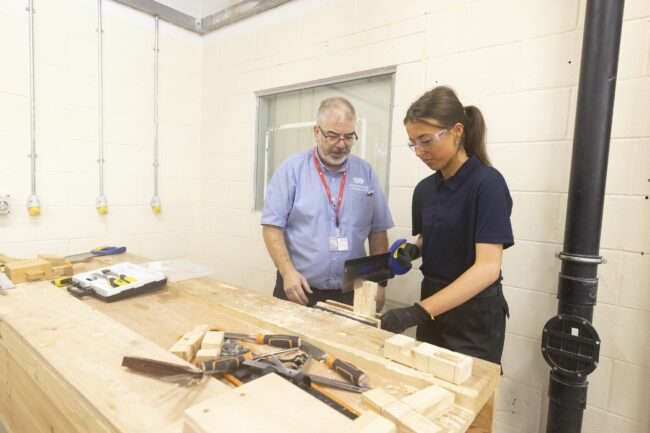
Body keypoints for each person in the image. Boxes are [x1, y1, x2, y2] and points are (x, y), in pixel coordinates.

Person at [380, 86, 513, 364]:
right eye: (413, 143)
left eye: (426, 141)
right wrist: (414, 250)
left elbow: (488, 267)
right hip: (433, 308)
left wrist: (417, 311)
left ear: (456, 131)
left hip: (473, 319)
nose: (419, 152)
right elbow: (429, 236)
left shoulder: (487, 185)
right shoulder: (425, 190)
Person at [261, 97, 394, 311]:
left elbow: (378, 231)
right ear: (316, 132)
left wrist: (378, 281)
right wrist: (287, 273)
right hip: (299, 289)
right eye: (333, 136)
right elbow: (271, 228)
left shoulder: (366, 173)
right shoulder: (291, 171)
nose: (341, 145)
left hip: (351, 293)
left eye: (349, 137)